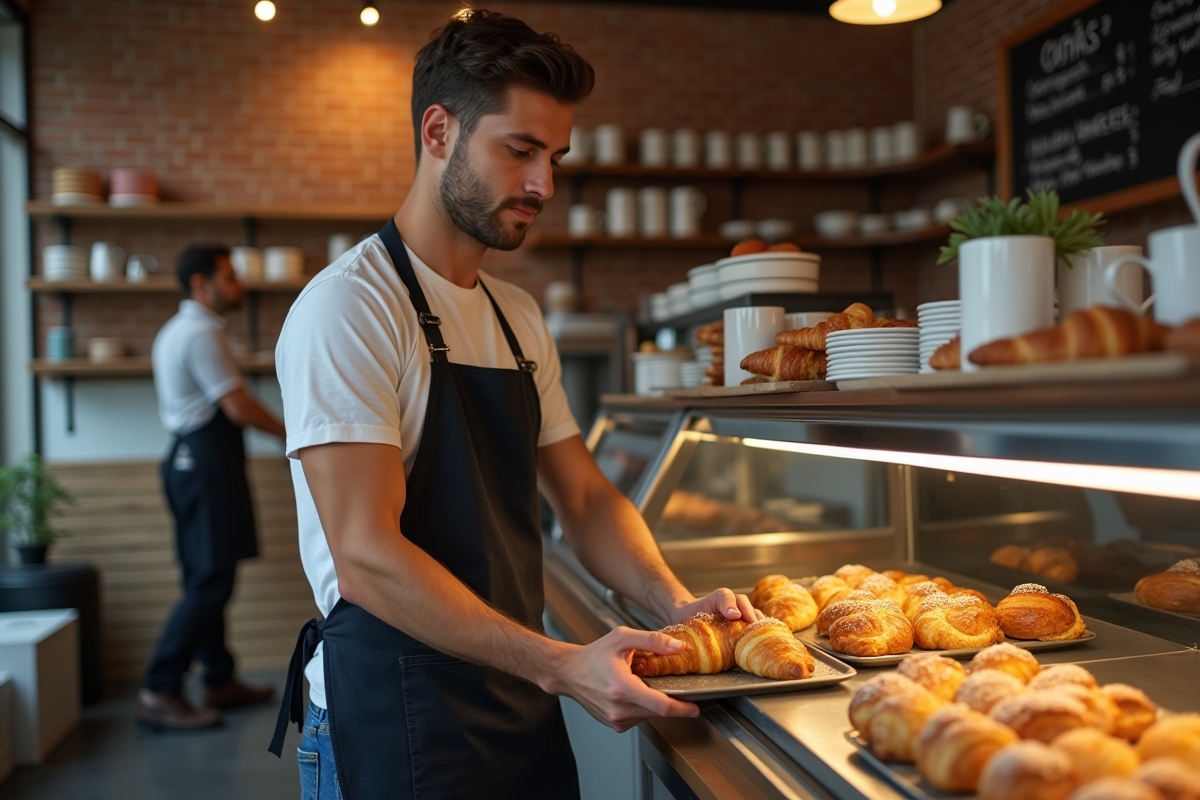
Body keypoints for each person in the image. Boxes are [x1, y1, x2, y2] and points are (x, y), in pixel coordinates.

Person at [268, 10, 760, 798]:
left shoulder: (516, 316)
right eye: (520, 150)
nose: (544, 185)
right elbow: (364, 555)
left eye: (555, 157)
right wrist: (561, 664)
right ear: (438, 132)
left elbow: (587, 495)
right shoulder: (351, 309)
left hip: (514, 700)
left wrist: (673, 603)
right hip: (394, 716)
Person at [138, 245, 286, 730]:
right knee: (210, 582)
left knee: (205, 576)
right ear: (200, 283)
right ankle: (160, 689)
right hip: (204, 467)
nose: (238, 286)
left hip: (190, 464)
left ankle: (218, 679)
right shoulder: (200, 334)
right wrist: (298, 433)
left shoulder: (181, 330)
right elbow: (239, 407)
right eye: (229, 277)